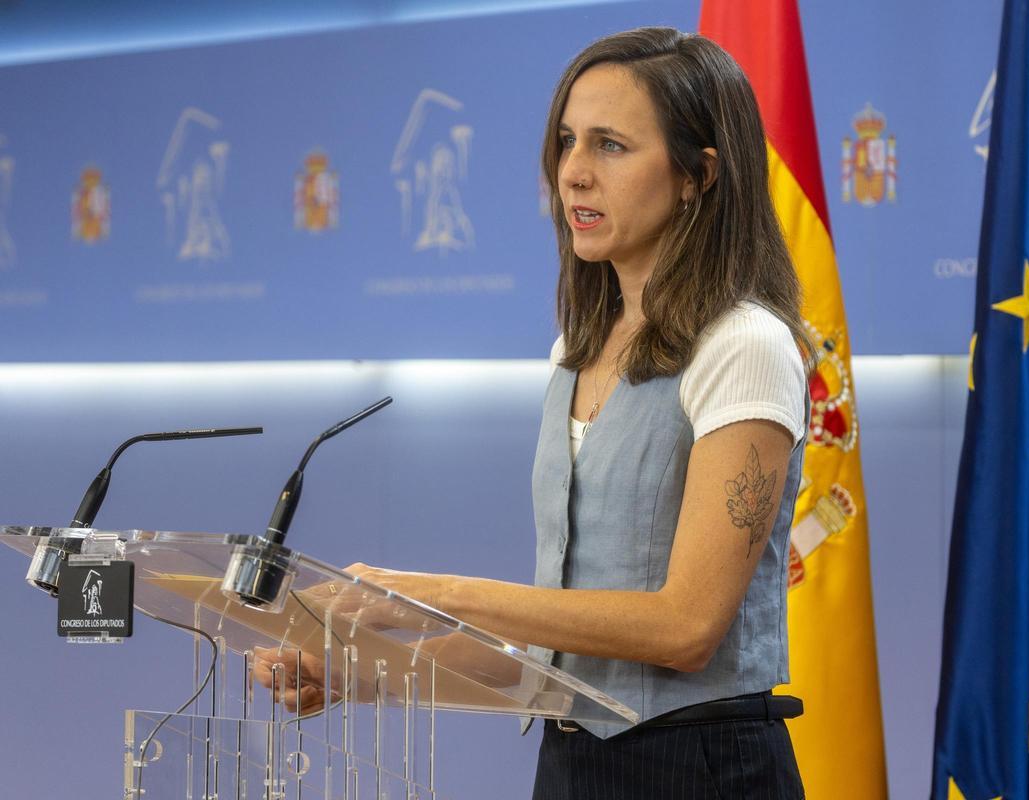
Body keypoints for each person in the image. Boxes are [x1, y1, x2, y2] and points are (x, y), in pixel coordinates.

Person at [266, 26, 814, 799]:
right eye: (566, 142)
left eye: (611, 146)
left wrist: (420, 594)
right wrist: (356, 669)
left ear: (700, 174)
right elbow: (556, 656)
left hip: (704, 771)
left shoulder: (745, 345)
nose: (574, 174)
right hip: (571, 767)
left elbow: (686, 629)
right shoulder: (575, 349)